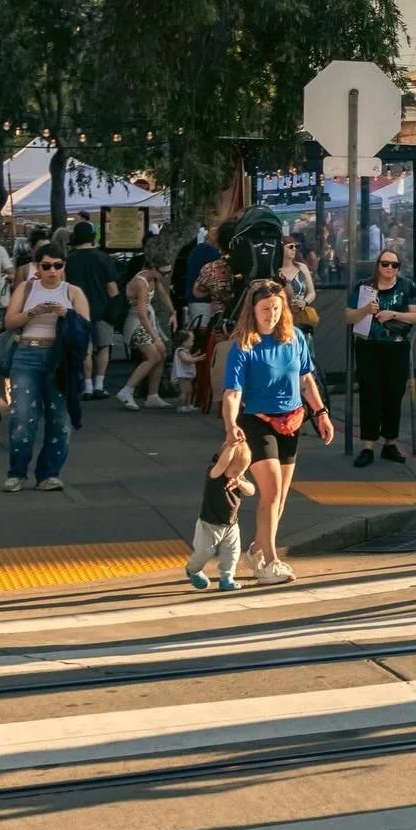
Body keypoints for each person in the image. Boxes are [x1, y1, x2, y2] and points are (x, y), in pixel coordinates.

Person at [222, 281, 334, 584]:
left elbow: (306, 380)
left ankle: (257, 550)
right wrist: (231, 424)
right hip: (258, 422)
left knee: (281, 498)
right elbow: (232, 392)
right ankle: (270, 562)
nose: (271, 315)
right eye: (264, 310)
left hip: (292, 420)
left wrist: (321, 413)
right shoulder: (244, 345)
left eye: (276, 308)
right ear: (253, 311)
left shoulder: (294, 337)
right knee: (270, 492)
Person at [1, 244, 90, 491]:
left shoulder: (73, 292)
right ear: (37, 267)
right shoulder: (26, 287)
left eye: (58, 266)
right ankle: (17, 472)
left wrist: (66, 315)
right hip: (27, 353)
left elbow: (85, 329)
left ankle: (49, 473)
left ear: (63, 266)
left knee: (59, 418)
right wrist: (33, 312)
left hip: (59, 358)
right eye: (46, 266)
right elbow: (9, 321)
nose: (52, 271)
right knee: (22, 416)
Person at [346, 246, 416, 467]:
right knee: (370, 395)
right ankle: (368, 445)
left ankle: (390, 442)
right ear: (377, 265)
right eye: (385, 263)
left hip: (396, 347)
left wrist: (393, 314)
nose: (390, 268)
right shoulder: (364, 287)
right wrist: (365, 311)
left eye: (394, 265)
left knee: (393, 395)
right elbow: (348, 316)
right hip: (369, 346)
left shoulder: (407, 286)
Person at [185, 432, 255, 591]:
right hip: (209, 523)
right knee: (204, 552)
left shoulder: (238, 478)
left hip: (231, 524)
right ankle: (193, 570)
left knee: (233, 553)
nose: (238, 475)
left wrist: (240, 482)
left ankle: (227, 578)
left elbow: (251, 491)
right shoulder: (214, 473)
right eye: (235, 471)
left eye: (242, 471)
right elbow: (223, 464)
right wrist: (231, 446)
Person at [64, 221, 121, 399]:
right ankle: (99, 384)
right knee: (103, 346)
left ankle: (87, 386)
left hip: (78, 311)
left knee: (85, 350)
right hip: (102, 310)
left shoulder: (70, 260)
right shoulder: (103, 257)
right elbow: (112, 288)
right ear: (92, 237)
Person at [118, 257, 175, 408]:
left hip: (146, 321)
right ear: (153, 269)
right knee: (153, 356)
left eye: (169, 272)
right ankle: (126, 390)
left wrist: (173, 312)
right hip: (136, 322)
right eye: (164, 273)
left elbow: (163, 295)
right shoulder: (140, 283)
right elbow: (142, 315)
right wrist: (156, 337)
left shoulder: (154, 278)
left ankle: (153, 395)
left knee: (161, 354)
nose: (166, 276)